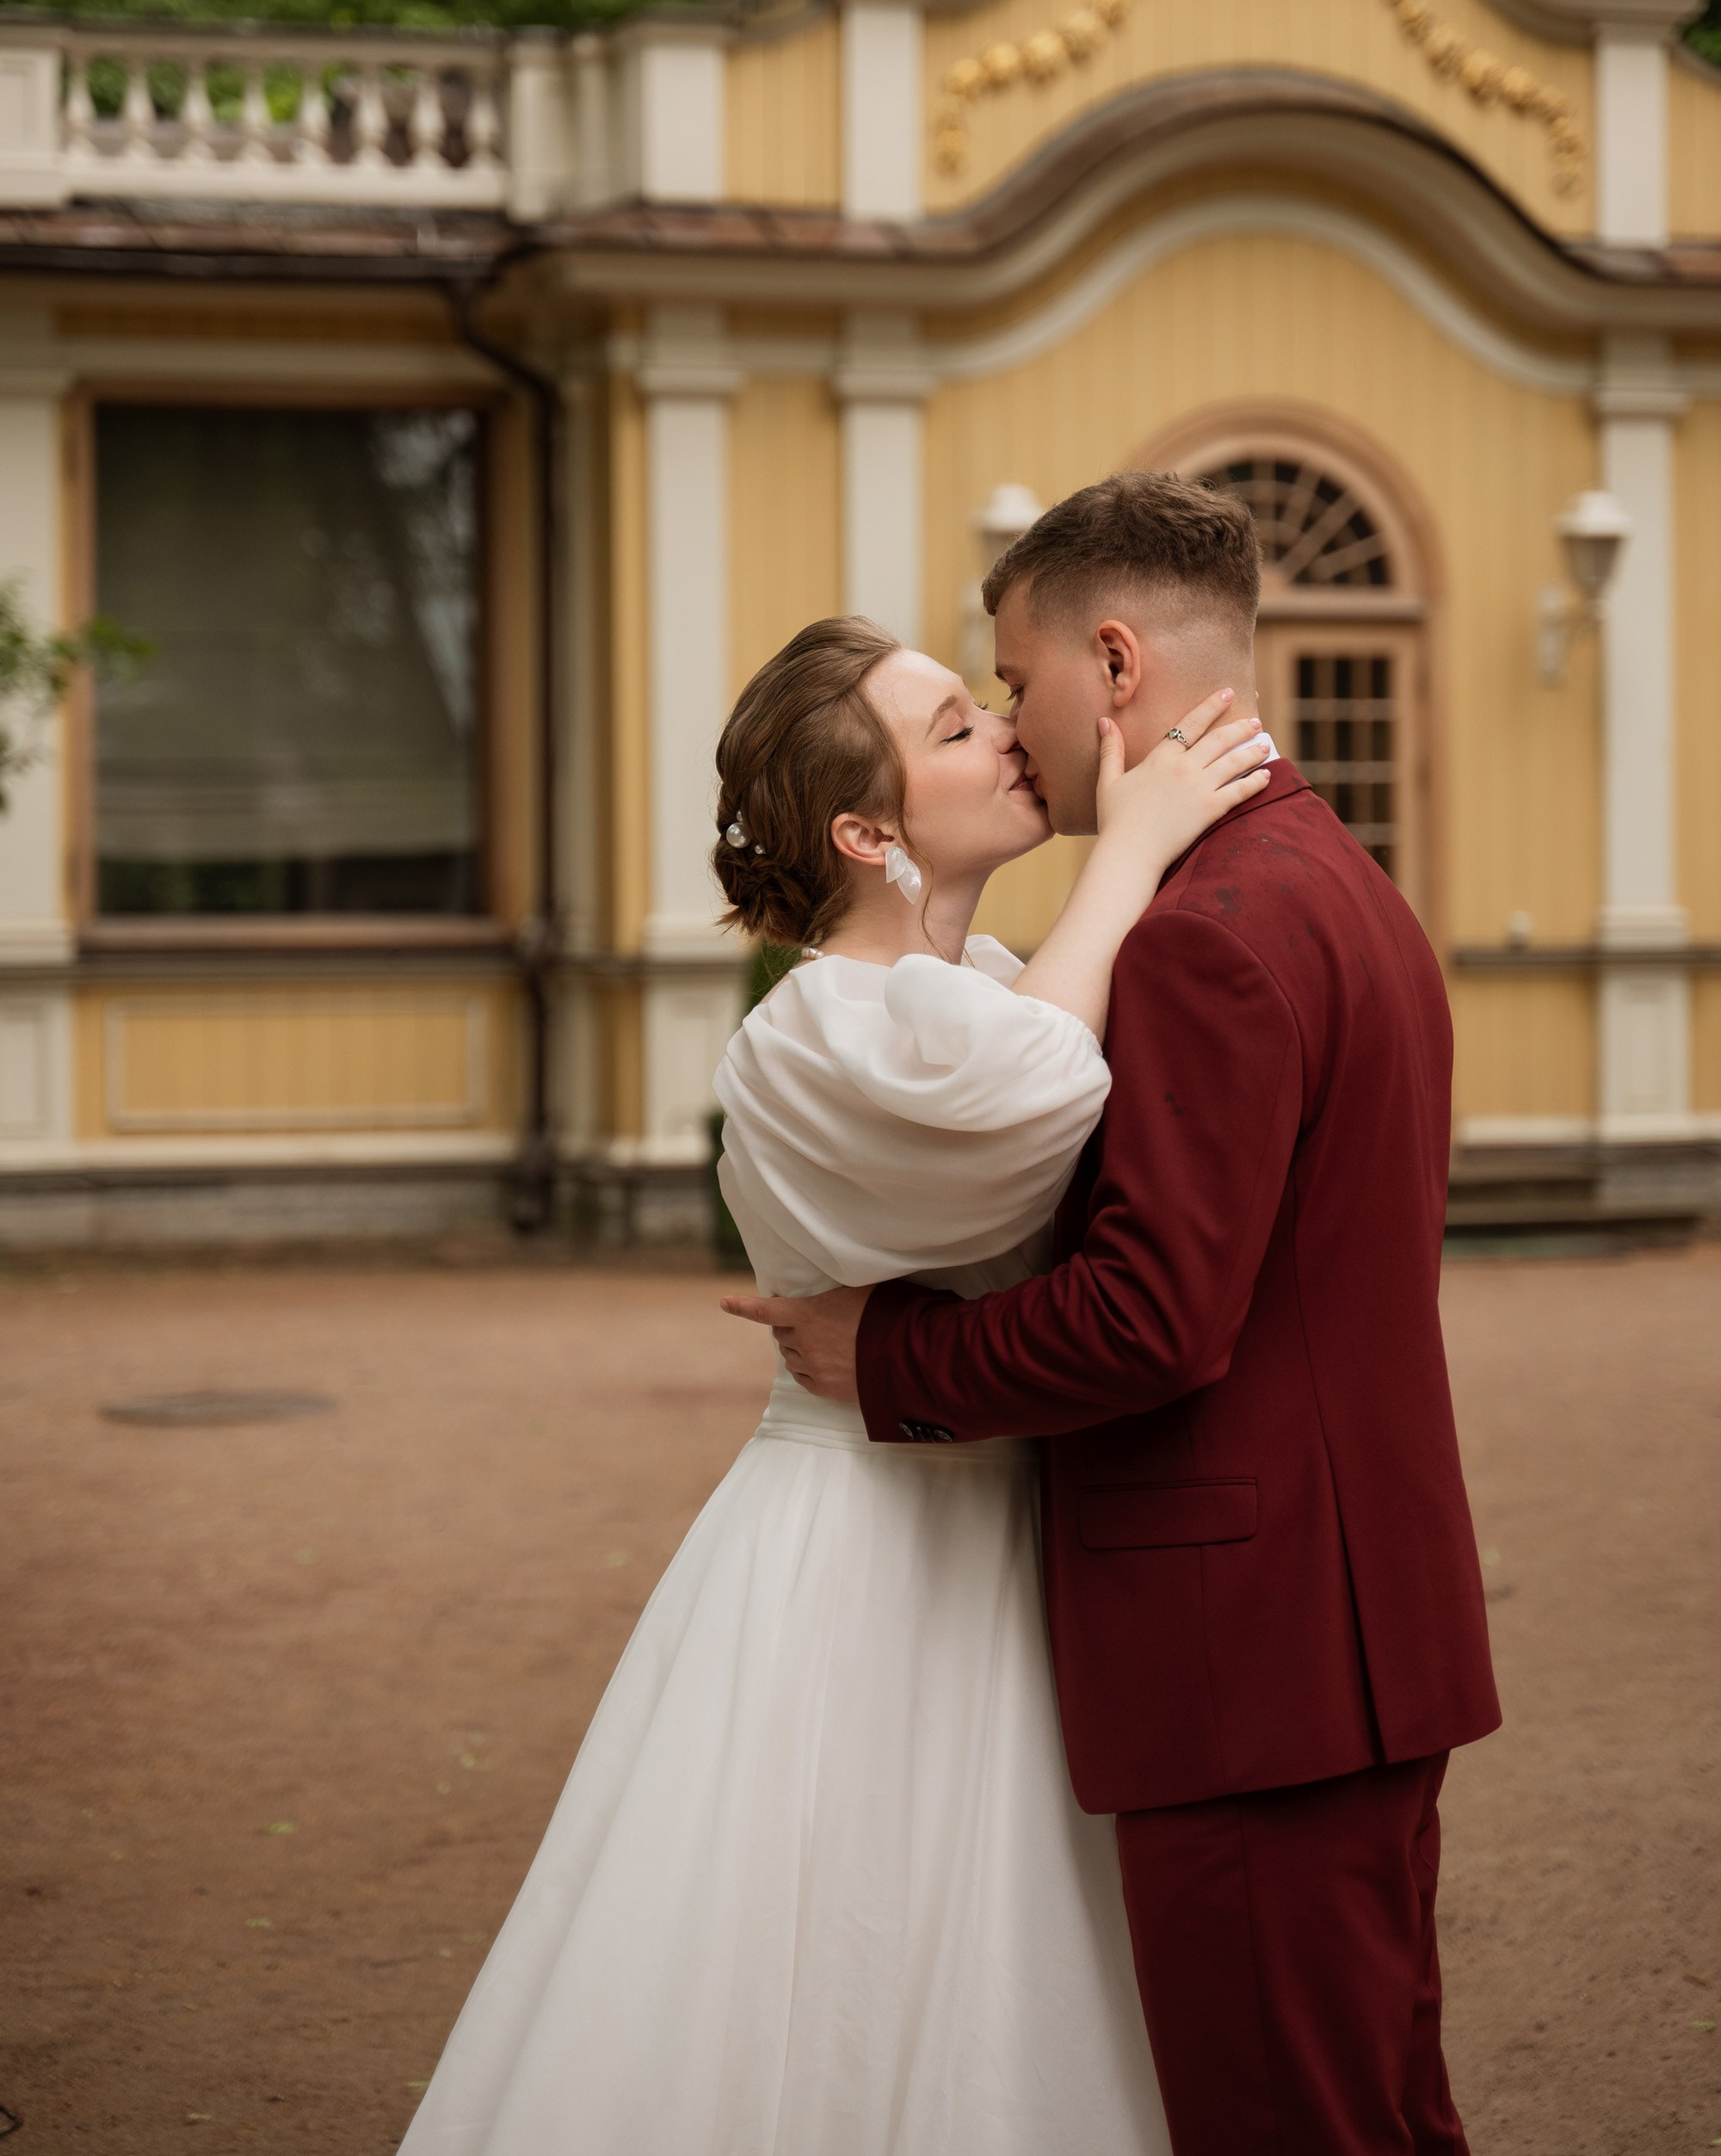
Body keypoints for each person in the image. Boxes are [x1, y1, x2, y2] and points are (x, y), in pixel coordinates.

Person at [397, 607, 1270, 2156]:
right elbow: (1032, 1086)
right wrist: (1131, 850)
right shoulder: (818, 1027)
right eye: (952, 729)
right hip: (857, 1546)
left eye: (982, 707)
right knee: (822, 1952)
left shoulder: (993, 975)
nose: (1007, 734)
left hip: (1016, 1526)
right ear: (867, 832)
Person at [729, 471, 1502, 2156]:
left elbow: (1153, 1320)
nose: (1011, 723)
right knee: (1373, 2102)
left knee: (1288, 2121)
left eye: (1012, 682)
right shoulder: (1336, 887)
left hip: (1252, 1650)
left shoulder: (1203, 937)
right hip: (1353, 1626)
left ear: (1113, 663)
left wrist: (886, 1356)